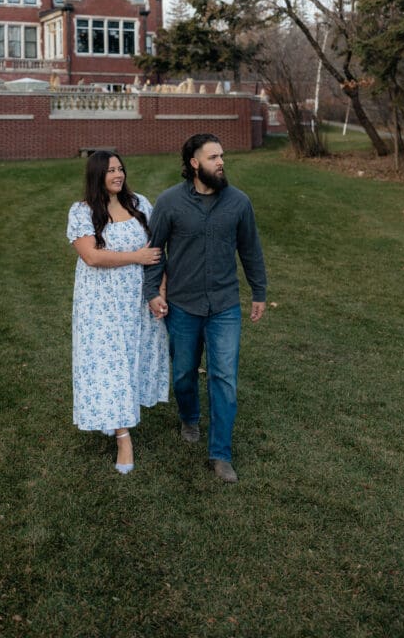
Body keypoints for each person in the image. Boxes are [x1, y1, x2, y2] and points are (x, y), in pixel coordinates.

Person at [143, 134, 267, 484]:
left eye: (222, 155)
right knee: (183, 372)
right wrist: (153, 291)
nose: (221, 162)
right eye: (213, 157)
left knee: (224, 378)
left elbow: (251, 250)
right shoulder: (169, 203)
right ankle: (189, 416)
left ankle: (221, 454)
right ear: (194, 163)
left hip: (225, 306)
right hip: (183, 305)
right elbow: (155, 252)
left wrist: (259, 291)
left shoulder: (239, 203)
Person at [67, 149, 169, 474]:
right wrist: (135, 257)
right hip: (101, 304)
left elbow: (156, 251)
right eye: (111, 170)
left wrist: (159, 291)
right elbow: (92, 257)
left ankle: (117, 415)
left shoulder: (139, 204)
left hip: (137, 300)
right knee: (109, 362)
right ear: (97, 175)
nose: (118, 175)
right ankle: (124, 437)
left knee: (132, 357)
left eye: (121, 169)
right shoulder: (82, 212)